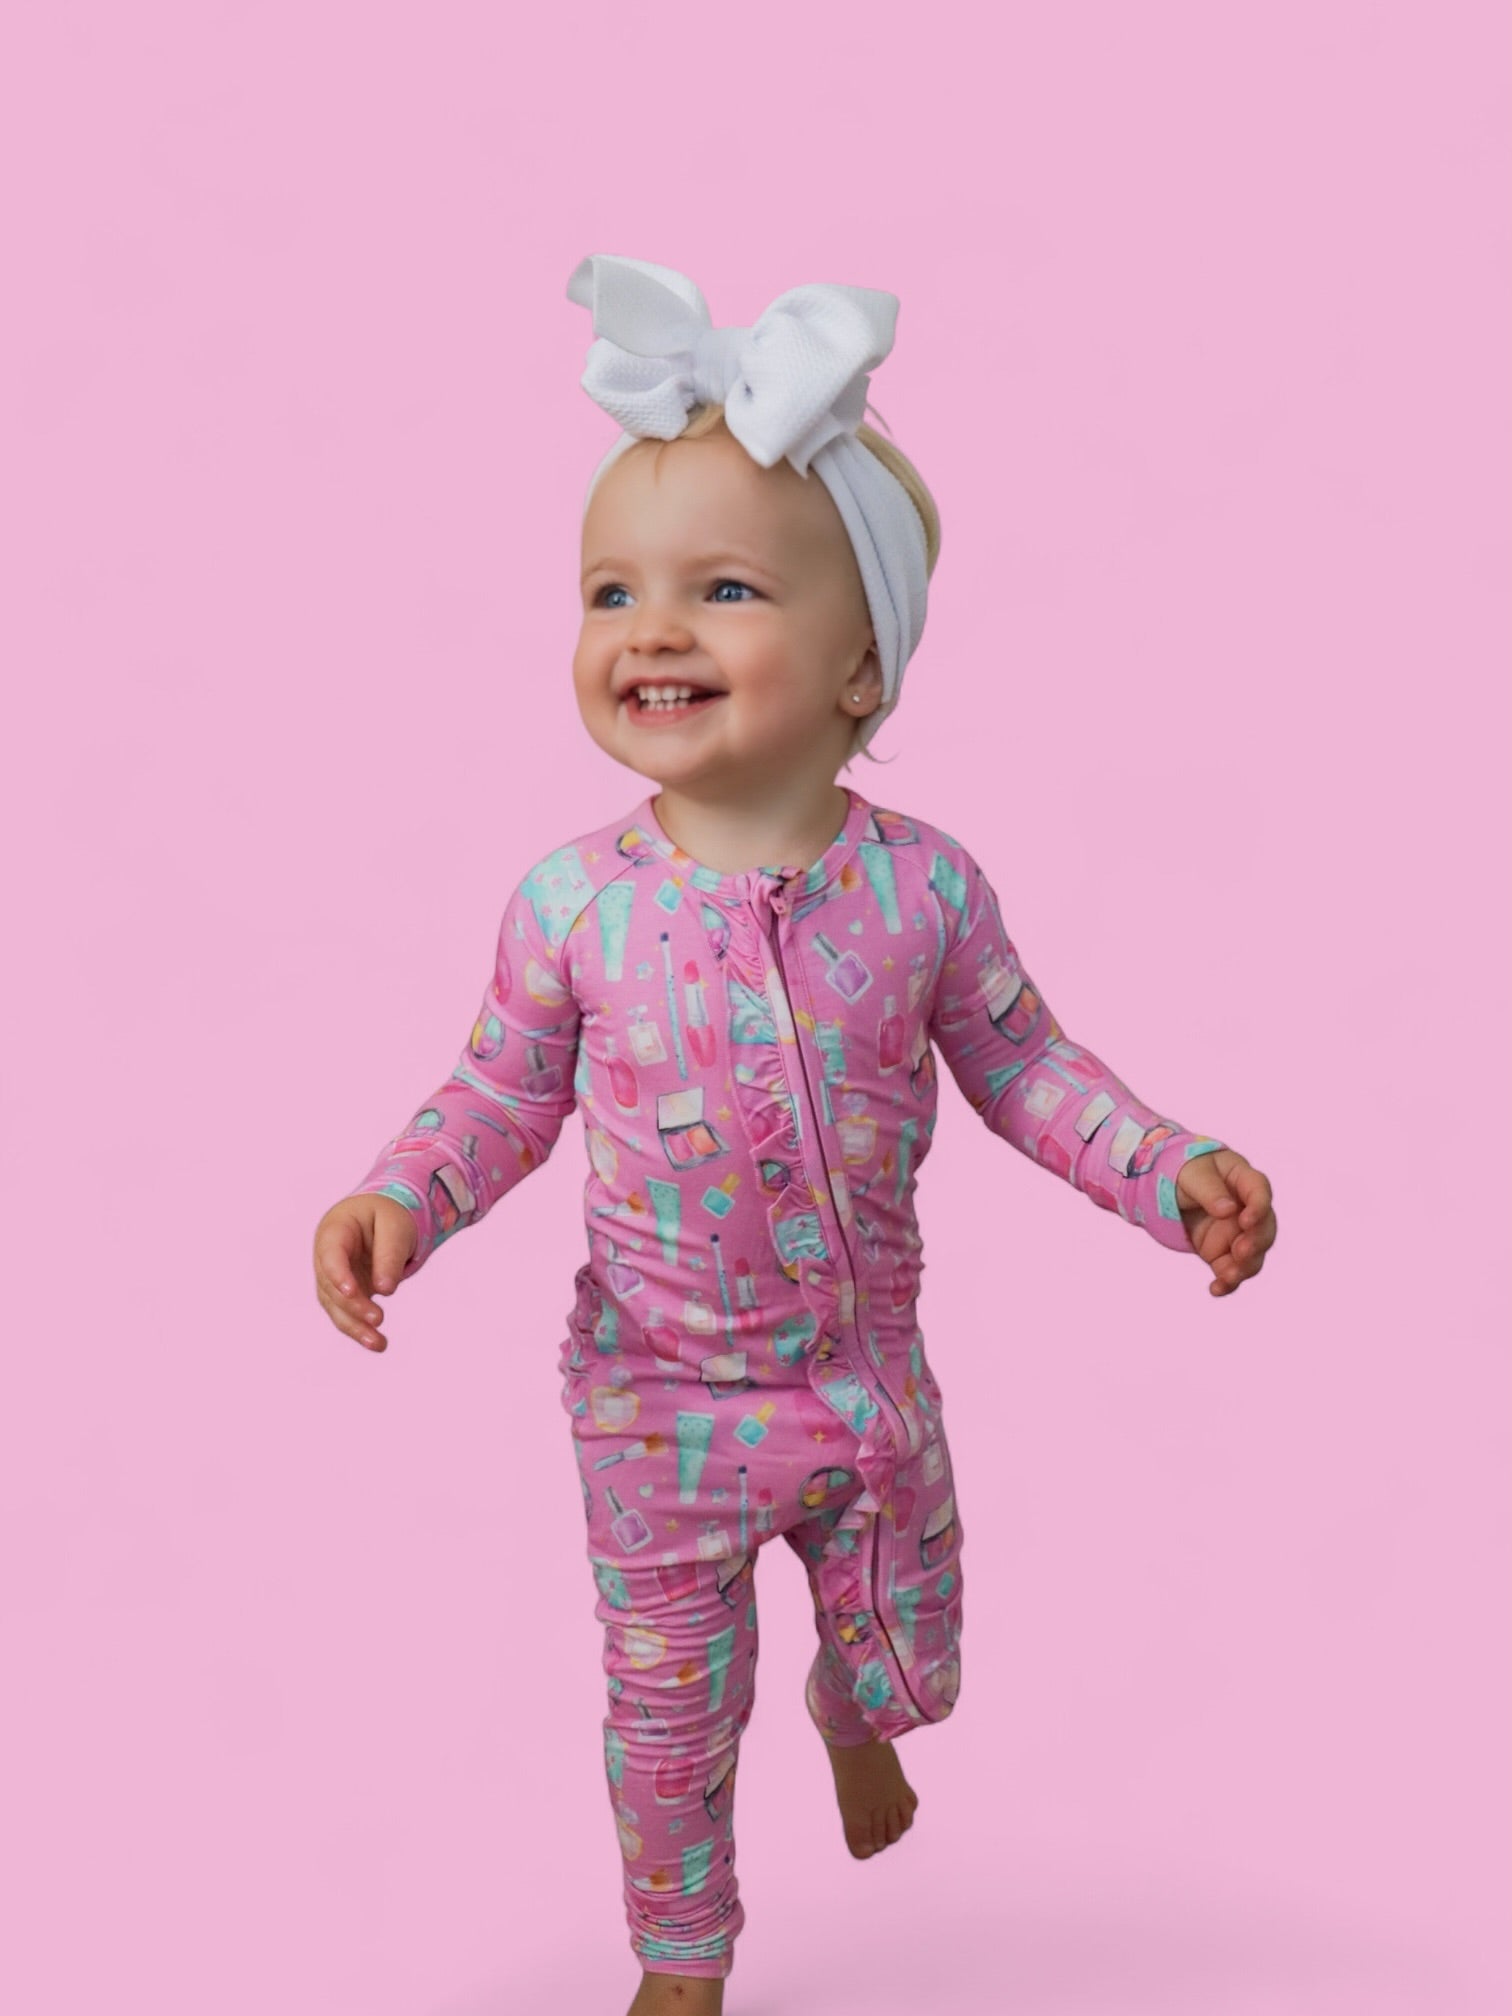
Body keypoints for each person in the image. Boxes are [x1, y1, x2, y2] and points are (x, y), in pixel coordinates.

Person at [311, 253, 1278, 2016]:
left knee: (916, 1660)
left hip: (865, 1392)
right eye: (613, 590)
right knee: (666, 1716)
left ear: (861, 668)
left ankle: (856, 1715)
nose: (651, 630)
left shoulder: (925, 893)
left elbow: (1027, 1069)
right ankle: (683, 1958)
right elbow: (500, 1095)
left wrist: (1167, 1168)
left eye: (726, 588)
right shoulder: (572, 909)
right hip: (657, 1411)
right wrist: (399, 1198)